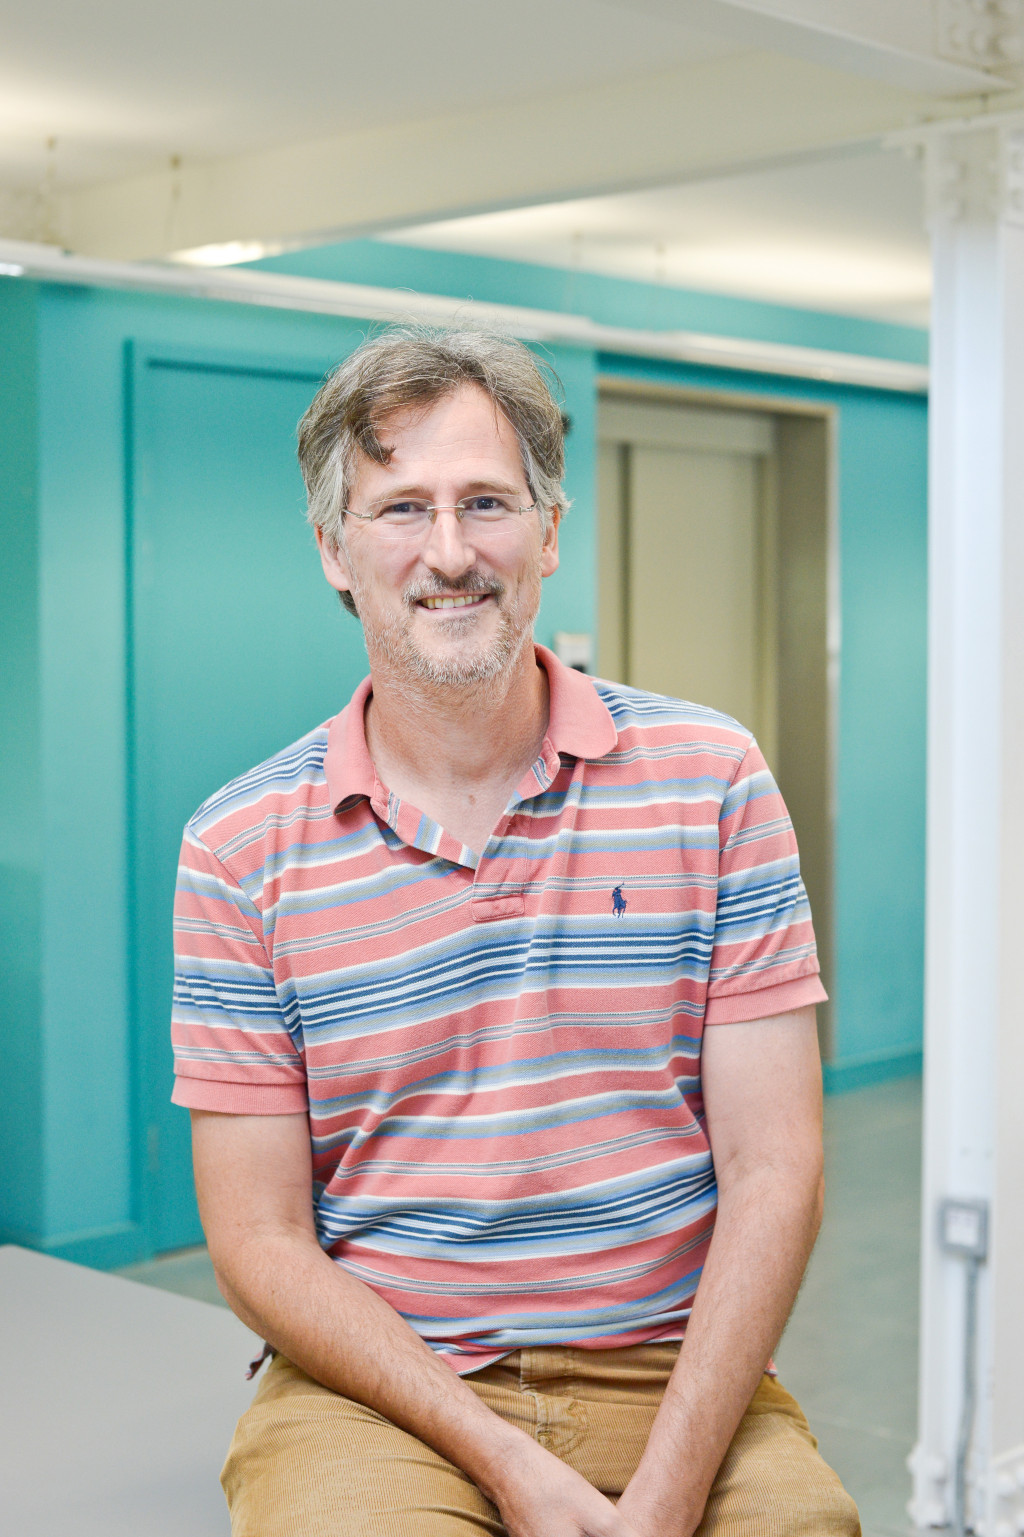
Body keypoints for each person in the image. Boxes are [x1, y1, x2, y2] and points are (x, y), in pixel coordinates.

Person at [171, 326, 860, 1537]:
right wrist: (502, 1458)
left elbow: (774, 1167)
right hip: (383, 1389)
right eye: (400, 509)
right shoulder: (238, 848)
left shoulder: (713, 780)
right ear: (334, 549)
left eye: (486, 502)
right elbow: (258, 1237)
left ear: (548, 531)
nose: (449, 552)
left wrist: (668, 1495)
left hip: (670, 1364)